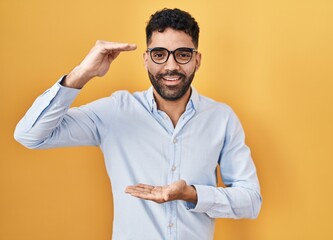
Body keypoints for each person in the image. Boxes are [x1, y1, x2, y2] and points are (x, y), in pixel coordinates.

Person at [14, 8, 262, 240]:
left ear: (197, 60)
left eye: (183, 55)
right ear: (146, 59)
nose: (171, 66)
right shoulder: (116, 111)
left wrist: (192, 194)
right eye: (159, 54)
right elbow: (30, 135)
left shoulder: (221, 118)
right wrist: (81, 74)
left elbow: (251, 201)